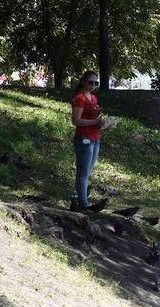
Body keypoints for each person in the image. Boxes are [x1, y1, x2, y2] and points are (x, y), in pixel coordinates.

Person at [71, 70, 105, 209]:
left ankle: (81, 198)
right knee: (83, 173)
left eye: (96, 83)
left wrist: (104, 124)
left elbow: (94, 119)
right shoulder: (80, 98)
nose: (93, 85)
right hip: (84, 138)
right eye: (90, 82)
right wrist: (96, 122)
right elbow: (76, 121)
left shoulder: (93, 98)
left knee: (88, 171)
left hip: (95, 137)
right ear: (83, 82)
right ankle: (83, 204)